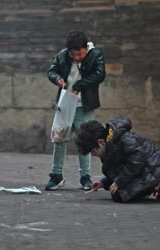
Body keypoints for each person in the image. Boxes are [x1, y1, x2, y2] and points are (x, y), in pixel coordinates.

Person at [45, 31, 106, 191]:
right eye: (74, 54)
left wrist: (79, 85)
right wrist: (57, 79)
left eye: (80, 54)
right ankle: (56, 176)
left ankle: (85, 177)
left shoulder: (95, 55)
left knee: (86, 140)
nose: (77, 57)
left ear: (86, 48)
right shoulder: (63, 55)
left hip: (84, 105)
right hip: (65, 103)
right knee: (59, 139)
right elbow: (52, 71)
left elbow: (99, 74)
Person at [74, 118, 160, 203]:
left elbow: (136, 161)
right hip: (142, 170)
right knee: (119, 195)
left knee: (120, 194)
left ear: (101, 142)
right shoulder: (107, 149)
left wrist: (119, 182)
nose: (94, 155)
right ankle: (149, 187)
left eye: (93, 151)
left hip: (153, 168)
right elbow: (117, 170)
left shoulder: (123, 139)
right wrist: (103, 182)